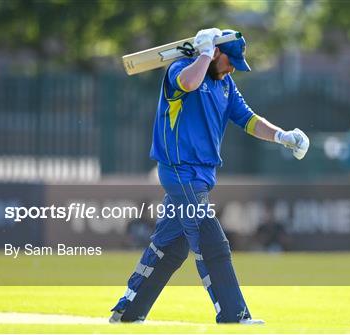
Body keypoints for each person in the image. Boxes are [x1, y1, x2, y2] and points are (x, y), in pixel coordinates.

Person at [109, 28, 309, 324]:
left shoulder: (225, 84)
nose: (232, 68)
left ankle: (129, 308)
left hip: (202, 176)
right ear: (215, 53)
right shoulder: (180, 70)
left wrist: (282, 136)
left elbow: (249, 120)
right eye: (230, 61)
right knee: (212, 240)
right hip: (180, 172)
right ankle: (233, 314)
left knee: (172, 247)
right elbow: (189, 83)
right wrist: (203, 54)